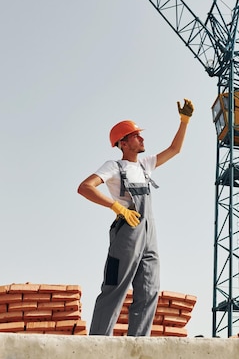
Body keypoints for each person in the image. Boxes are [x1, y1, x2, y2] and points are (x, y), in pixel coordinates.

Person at [77, 99, 194, 336]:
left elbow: (174, 150)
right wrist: (116, 207)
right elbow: (85, 187)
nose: (141, 138)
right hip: (127, 232)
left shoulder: (145, 166)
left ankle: (138, 346)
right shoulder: (114, 166)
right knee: (115, 287)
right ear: (123, 142)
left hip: (149, 234)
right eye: (136, 135)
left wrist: (184, 122)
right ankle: (98, 344)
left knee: (149, 289)